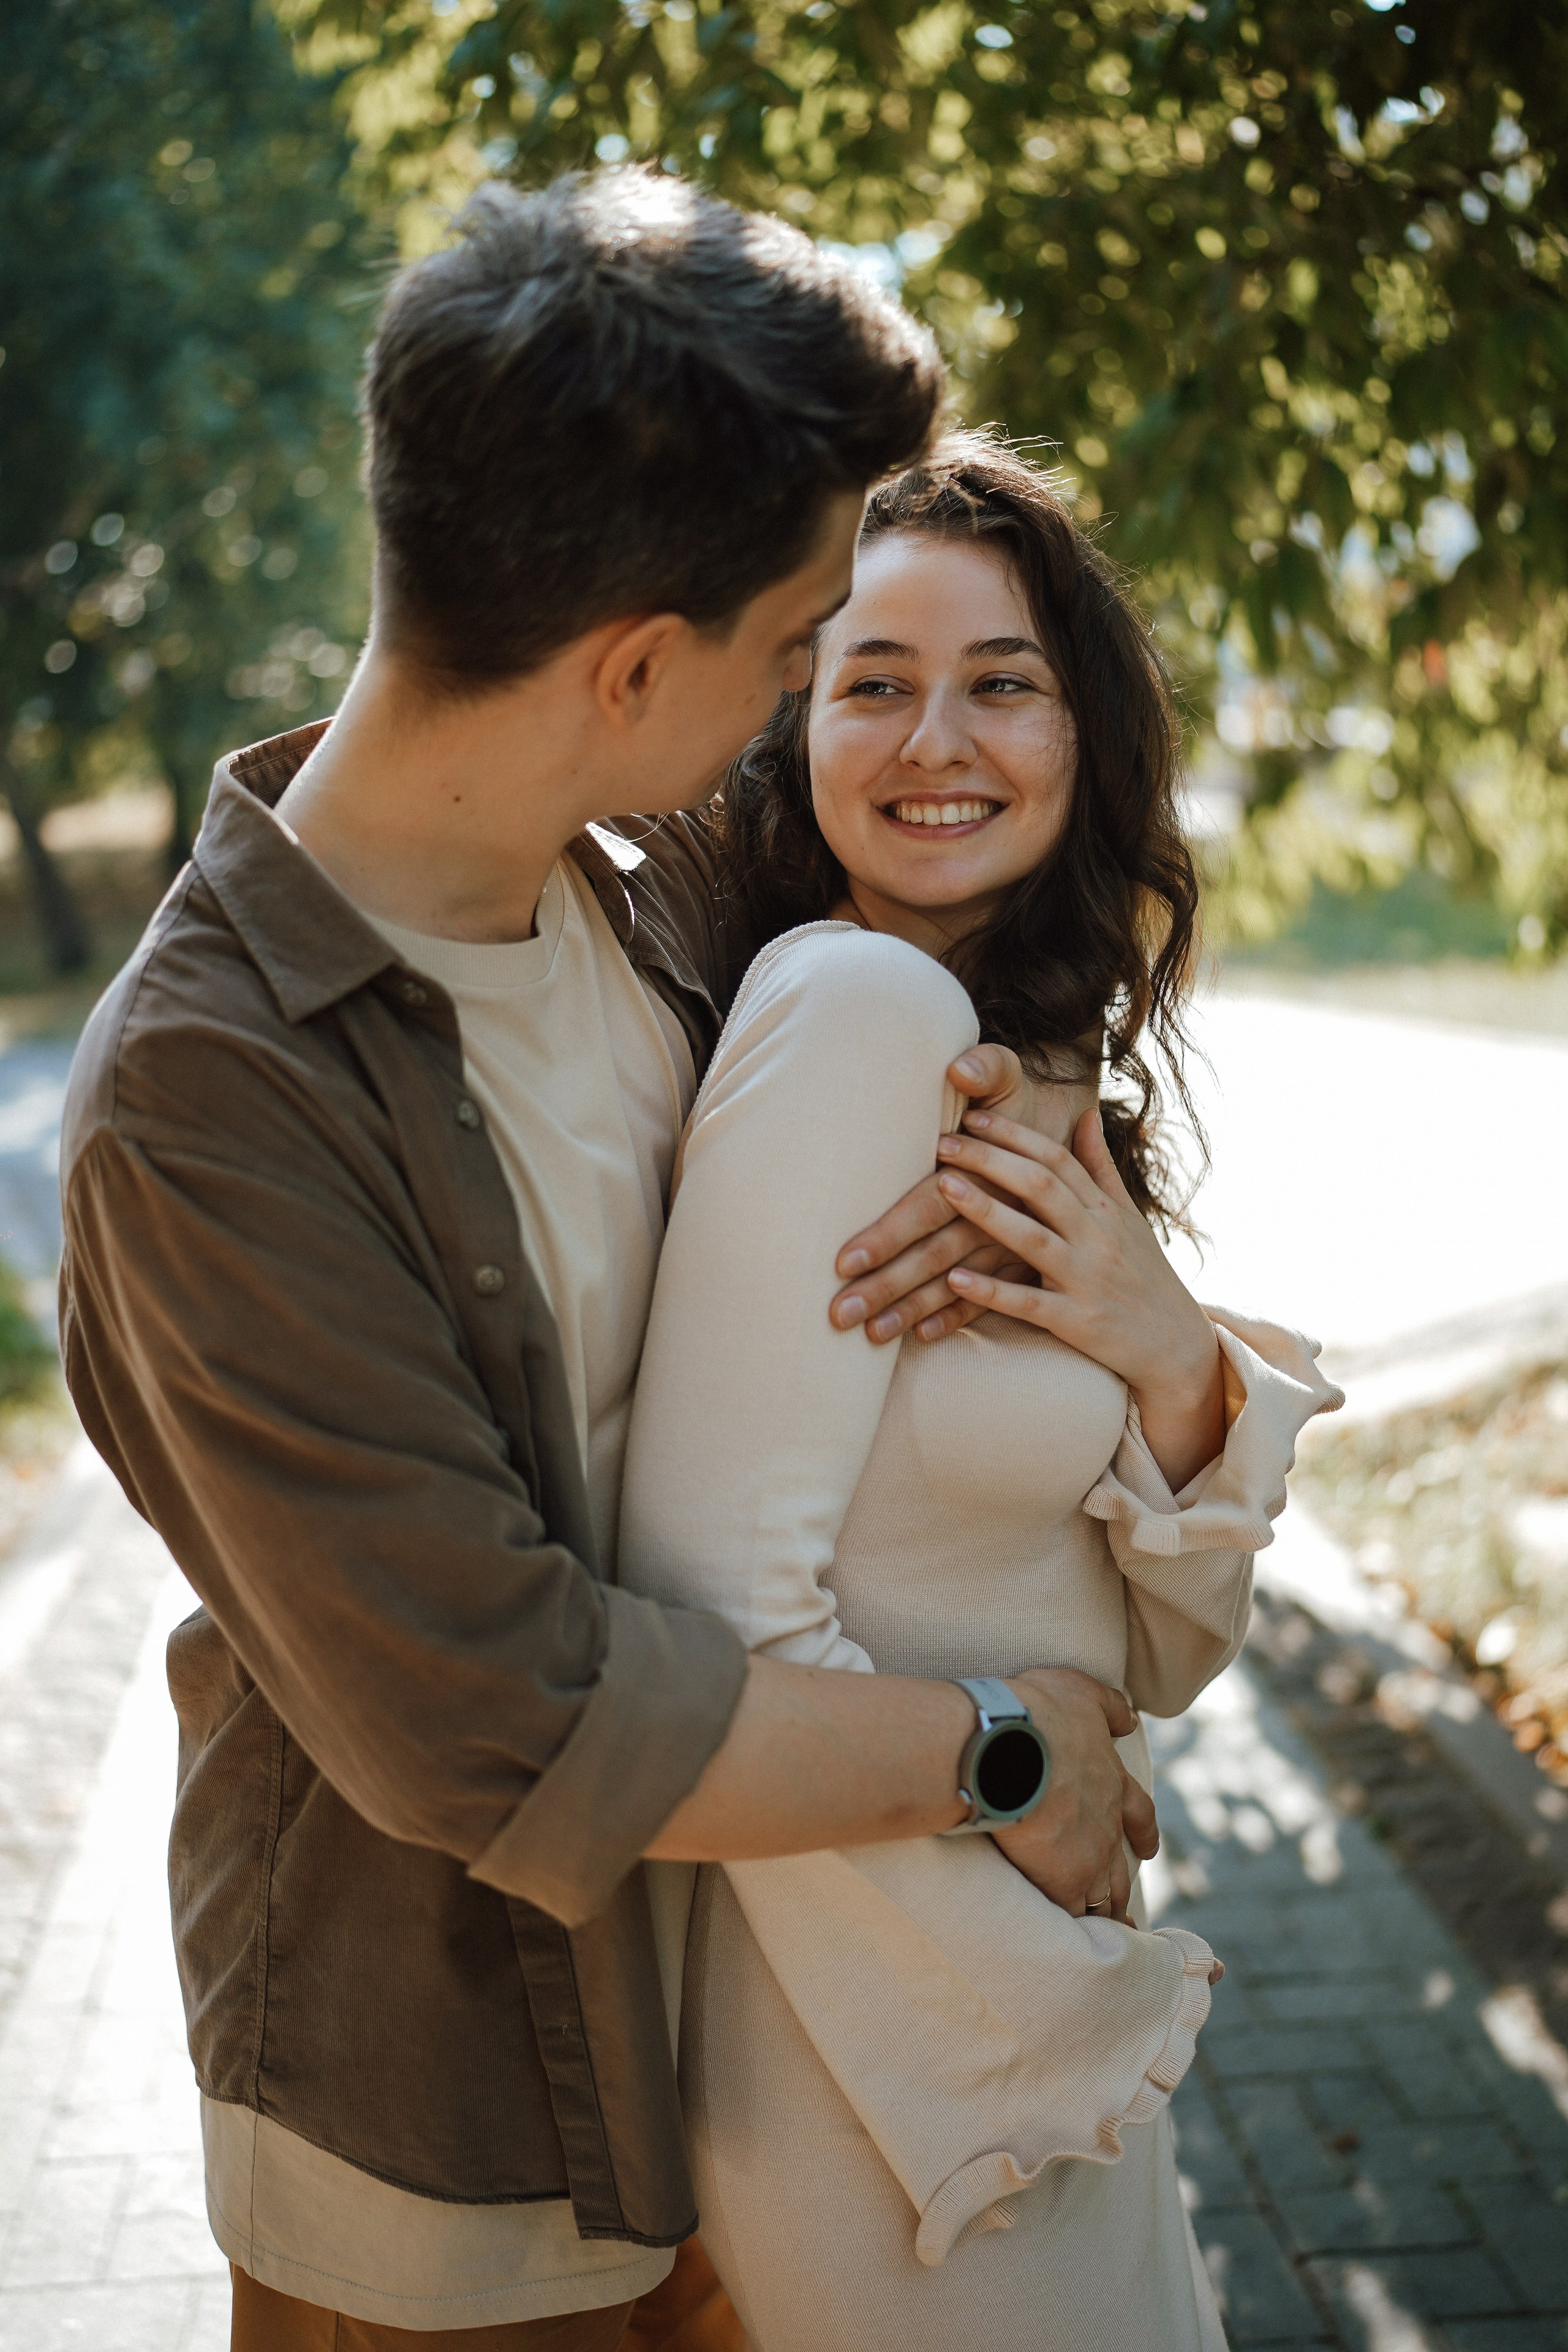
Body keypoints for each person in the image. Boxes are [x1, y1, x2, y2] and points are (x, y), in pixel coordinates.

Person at [56, 178, 1160, 2351]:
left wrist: (1067, 1221)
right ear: (639, 664)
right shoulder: (204, 1109)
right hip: (456, 2149)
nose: (795, 708)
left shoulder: (644, 899)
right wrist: (1009, 1748)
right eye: (791, 651)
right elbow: (509, 1711)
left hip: (747, 2057)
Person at [619, 432, 1343, 2352]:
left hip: (1020, 2055)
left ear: (1084, 729)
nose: (940, 736)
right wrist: (1015, 1836)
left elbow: (1170, 1660)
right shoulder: (855, 1015)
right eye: (873, 682)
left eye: (1002, 681)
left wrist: (1169, 1349)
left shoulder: (1016, 1073)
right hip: (906, 2072)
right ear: (797, 731)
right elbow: (705, 1611)